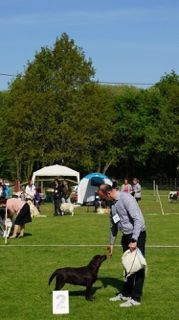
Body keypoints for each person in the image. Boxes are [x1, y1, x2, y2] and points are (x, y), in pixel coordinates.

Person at [99, 184, 146, 307]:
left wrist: (134, 239)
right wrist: (111, 243)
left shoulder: (127, 199)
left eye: (104, 198)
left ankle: (135, 298)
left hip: (137, 235)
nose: (104, 200)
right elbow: (113, 225)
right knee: (127, 266)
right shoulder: (113, 204)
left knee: (138, 266)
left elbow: (138, 220)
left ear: (108, 194)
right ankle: (126, 294)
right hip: (125, 237)